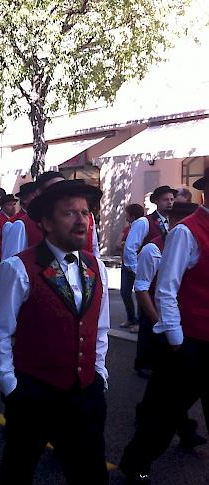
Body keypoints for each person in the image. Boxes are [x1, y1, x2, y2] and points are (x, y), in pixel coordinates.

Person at [0, 179, 109, 485]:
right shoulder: (18, 268)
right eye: (70, 213)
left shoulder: (96, 266)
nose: (81, 219)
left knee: (90, 472)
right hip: (35, 393)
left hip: (85, 392)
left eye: (85, 212)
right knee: (18, 469)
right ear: (47, 223)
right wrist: (11, 387)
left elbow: (100, 326)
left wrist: (99, 372)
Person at [120, 169, 209, 483]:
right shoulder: (187, 232)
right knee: (164, 412)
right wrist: (175, 339)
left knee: (168, 407)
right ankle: (134, 463)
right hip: (191, 339)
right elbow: (166, 289)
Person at [132, 201, 206, 449]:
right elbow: (160, 290)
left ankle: (179, 431)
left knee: (168, 401)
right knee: (166, 406)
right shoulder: (182, 234)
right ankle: (137, 463)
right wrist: (174, 338)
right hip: (188, 335)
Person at [124, 185, 176, 372]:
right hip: (148, 278)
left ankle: (157, 361)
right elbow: (130, 249)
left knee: (160, 318)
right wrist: (140, 272)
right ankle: (143, 363)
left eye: (171, 199)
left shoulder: (174, 222)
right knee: (147, 320)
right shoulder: (144, 222)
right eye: (165, 199)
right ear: (156, 201)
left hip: (164, 281)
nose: (169, 202)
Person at [118, 203, 145, 331]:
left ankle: (139, 322)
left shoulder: (140, 225)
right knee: (125, 292)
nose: (125, 215)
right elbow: (121, 244)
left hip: (135, 264)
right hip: (126, 264)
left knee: (140, 293)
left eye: (126, 213)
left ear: (132, 215)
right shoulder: (129, 227)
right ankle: (131, 318)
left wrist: (134, 266)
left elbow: (133, 247)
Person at [0, 182, 40, 260]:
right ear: (25, 199)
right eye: (36, 196)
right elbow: (10, 258)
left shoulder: (42, 219)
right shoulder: (13, 223)